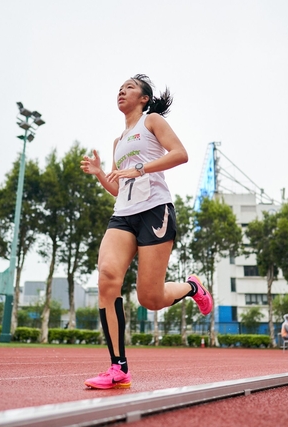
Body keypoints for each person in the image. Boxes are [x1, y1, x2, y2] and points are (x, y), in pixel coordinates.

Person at [80, 74, 212, 389]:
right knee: (107, 279)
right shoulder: (118, 141)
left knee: (150, 298)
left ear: (144, 98)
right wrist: (101, 173)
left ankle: (193, 288)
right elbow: (118, 188)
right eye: (119, 88)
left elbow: (180, 154)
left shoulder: (151, 121)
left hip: (155, 210)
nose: (121, 91)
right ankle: (118, 368)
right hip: (123, 216)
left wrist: (141, 168)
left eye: (129, 87)